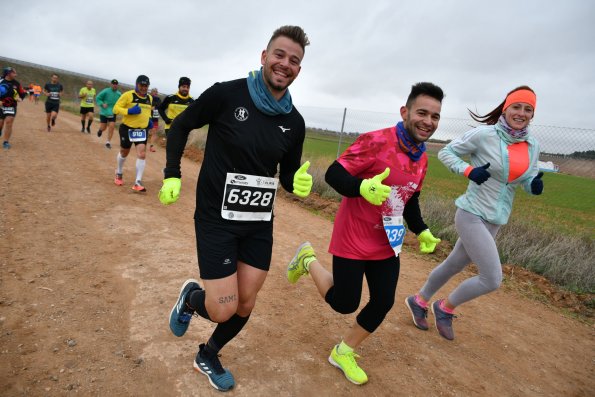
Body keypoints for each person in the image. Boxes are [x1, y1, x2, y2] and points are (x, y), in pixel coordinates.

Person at [160, 25, 312, 392]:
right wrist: (172, 174)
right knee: (223, 307)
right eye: (279, 55)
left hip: (259, 223)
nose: (284, 64)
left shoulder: (294, 122)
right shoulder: (227, 94)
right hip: (216, 219)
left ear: (299, 70)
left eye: (294, 60)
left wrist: (298, 184)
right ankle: (192, 299)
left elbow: (288, 175)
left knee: (245, 303)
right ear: (264, 56)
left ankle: (208, 353)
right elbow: (180, 126)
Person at [287, 82, 444, 385]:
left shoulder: (422, 158)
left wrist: (422, 230)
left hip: (388, 240)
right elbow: (335, 172)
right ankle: (307, 260)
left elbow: (409, 199)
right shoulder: (376, 141)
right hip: (354, 235)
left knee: (383, 300)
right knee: (344, 303)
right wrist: (361, 187)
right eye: (422, 112)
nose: (428, 121)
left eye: (435, 116)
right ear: (405, 111)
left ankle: (343, 352)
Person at [404, 86, 544, 341]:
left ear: (532, 114)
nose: (521, 113)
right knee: (492, 278)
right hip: (471, 214)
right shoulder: (485, 135)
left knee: (454, 264)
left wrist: (533, 186)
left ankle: (419, 300)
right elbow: (447, 153)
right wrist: (469, 171)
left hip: (496, 219)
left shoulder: (532, 145)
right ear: (506, 107)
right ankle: (445, 307)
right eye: (516, 106)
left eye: (528, 109)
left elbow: (527, 178)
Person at [112, 75, 153, 192]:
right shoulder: (127, 95)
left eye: (146, 86)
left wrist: (148, 120)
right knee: (124, 152)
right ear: (137, 84)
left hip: (141, 130)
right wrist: (128, 111)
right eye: (142, 85)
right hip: (127, 128)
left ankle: (137, 182)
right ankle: (119, 172)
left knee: (142, 154)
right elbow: (115, 109)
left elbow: (147, 111)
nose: (144, 88)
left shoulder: (149, 98)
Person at [0, 67, 27, 149]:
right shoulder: (0, 81)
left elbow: (22, 94)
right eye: (14, 72)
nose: (16, 74)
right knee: (0, 124)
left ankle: (6, 142)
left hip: (11, 106)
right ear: (8, 73)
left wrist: (20, 99)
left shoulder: (17, 84)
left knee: (9, 122)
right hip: (1, 106)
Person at [96, 79, 122, 149]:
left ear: (117, 85)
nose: (115, 85)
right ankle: (100, 130)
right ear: (111, 84)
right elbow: (98, 98)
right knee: (103, 127)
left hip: (113, 112)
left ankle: (108, 142)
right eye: (113, 84)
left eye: (116, 84)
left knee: (112, 126)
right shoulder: (106, 91)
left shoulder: (119, 94)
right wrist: (102, 104)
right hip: (104, 112)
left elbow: (122, 103)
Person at [148, 87, 161, 152]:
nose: (155, 93)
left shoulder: (158, 99)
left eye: (156, 92)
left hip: (155, 117)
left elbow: (159, 106)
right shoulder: (148, 97)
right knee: (145, 131)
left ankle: (151, 146)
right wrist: (152, 107)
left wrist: (154, 106)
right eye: (154, 91)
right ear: (151, 92)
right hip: (148, 116)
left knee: (154, 132)